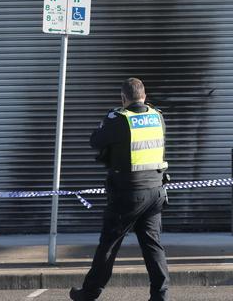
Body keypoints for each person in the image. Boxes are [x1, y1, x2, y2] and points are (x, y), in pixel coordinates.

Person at [70, 77, 170, 301]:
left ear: (123, 98)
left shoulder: (118, 119)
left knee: (109, 244)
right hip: (155, 191)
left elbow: (95, 141)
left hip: (128, 193)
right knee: (153, 245)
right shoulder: (157, 117)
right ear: (144, 96)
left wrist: (108, 120)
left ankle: (89, 292)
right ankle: (161, 296)